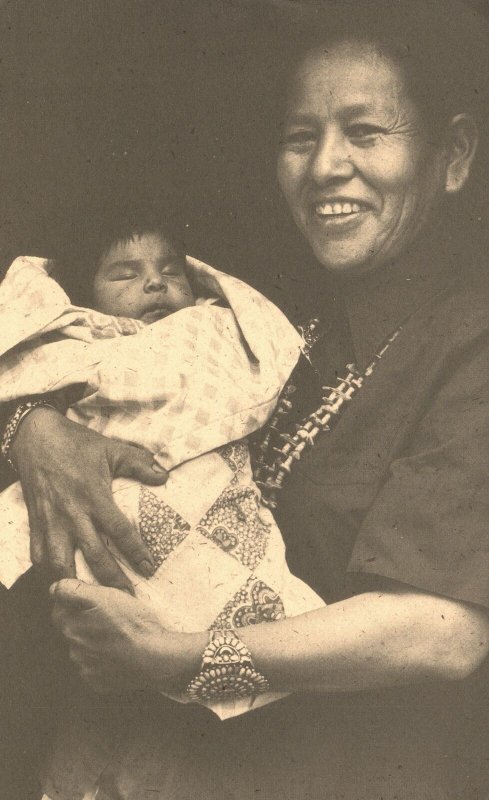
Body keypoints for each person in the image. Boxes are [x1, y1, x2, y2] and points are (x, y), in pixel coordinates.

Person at [3, 0, 489, 797]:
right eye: (301, 137)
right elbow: (105, 387)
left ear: (453, 154)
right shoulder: (264, 325)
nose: (325, 165)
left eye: (364, 133)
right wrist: (34, 426)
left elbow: (445, 632)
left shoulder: (468, 342)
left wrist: (180, 657)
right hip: (137, 760)